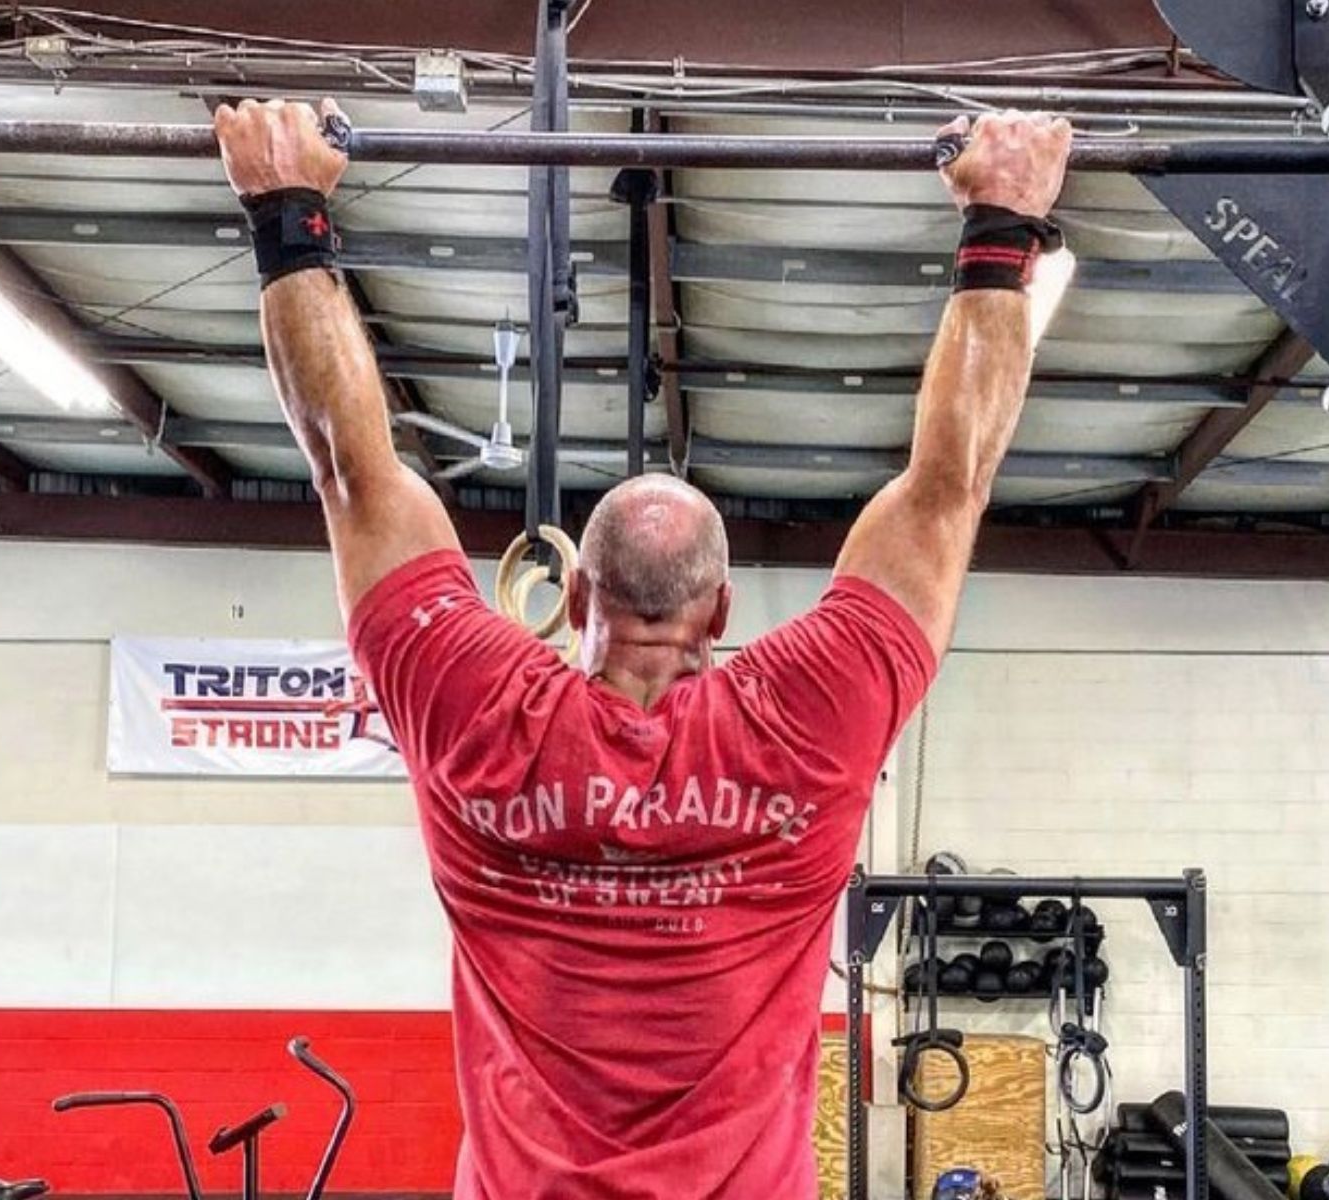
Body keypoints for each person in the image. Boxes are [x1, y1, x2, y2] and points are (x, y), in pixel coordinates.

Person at [214, 98, 1073, 1200]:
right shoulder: (804, 719)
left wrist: (289, 213)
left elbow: (350, 469)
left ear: (572, 592)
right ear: (720, 611)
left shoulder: (475, 706)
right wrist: (1001, 232)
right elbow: (951, 487)